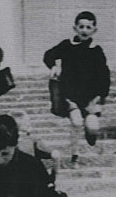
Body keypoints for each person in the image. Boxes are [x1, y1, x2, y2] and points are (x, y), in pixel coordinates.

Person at [42, 11, 111, 166]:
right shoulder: (67, 45)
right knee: (76, 122)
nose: (84, 30)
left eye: (88, 27)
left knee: (92, 125)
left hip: (90, 97)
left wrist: (99, 97)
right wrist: (54, 65)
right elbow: (48, 55)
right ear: (75, 28)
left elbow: (104, 75)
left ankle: (90, 133)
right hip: (70, 94)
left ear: (94, 30)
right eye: (81, 27)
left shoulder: (96, 50)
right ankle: (75, 154)